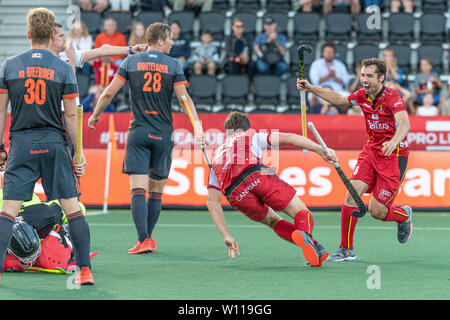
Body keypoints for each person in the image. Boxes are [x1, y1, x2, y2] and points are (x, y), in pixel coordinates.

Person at [88, 22, 205, 255]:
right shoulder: (173, 65)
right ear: (159, 40)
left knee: (137, 189)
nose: (172, 43)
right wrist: (198, 127)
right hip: (163, 134)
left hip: (139, 132)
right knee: (156, 191)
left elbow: (110, 91)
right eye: (170, 38)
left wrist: (95, 114)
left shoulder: (131, 61)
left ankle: (143, 239)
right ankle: (147, 238)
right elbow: (184, 100)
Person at [0, 8, 92, 285]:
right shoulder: (63, 68)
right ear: (52, 34)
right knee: (73, 209)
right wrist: (78, 152)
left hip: (21, 144)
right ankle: (85, 271)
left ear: (28, 33)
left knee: (7, 211)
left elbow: (2, 110)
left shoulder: (9, 65)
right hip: (53, 144)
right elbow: (72, 115)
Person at [297, 58, 413, 261]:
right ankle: (346, 249)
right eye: (362, 75)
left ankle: (403, 215)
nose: (364, 80)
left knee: (377, 211)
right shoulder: (362, 95)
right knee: (351, 194)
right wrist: (311, 88)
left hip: (393, 156)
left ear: (381, 77)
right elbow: (339, 100)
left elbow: (405, 124)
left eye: (369, 76)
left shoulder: (392, 97)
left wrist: (394, 141)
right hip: (370, 152)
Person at [206, 112, 338, 266]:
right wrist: (320, 150)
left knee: (273, 221)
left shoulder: (215, 156)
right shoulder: (251, 135)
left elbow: (212, 203)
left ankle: (314, 246)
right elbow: (289, 138)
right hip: (256, 175)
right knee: (301, 211)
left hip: (236, 195)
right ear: (247, 127)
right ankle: (310, 241)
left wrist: (226, 236)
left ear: (226, 132)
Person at [382, 49, 414, 114]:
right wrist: (387, 69)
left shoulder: (398, 69)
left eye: (390, 56)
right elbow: (381, 81)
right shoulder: (380, 69)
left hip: (397, 89)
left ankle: (398, 111)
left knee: (408, 95)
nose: (388, 58)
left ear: (393, 58)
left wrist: (391, 67)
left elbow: (399, 80)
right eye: (387, 56)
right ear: (384, 58)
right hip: (386, 91)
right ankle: (396, 112)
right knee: (390, 86)